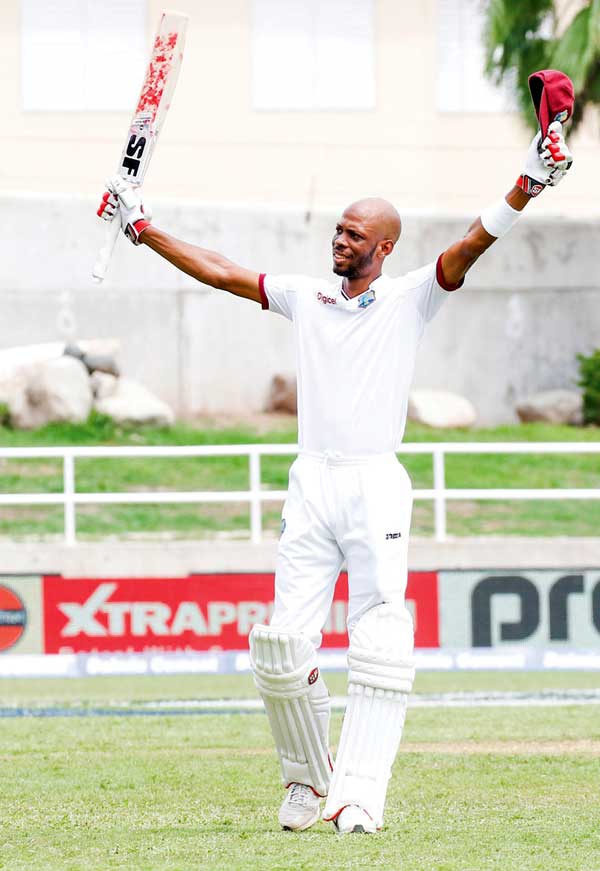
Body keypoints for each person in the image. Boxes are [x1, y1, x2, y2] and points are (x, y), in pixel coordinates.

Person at [98, 121, 572, 834]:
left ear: (384, 248)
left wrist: (525, 183)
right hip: (311, 482)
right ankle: (306, 781)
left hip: (374, 481)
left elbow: (471, 244)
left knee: (379, 638)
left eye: (355, 235)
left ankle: (361, 796)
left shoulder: (413, 295)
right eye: (339, 231)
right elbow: (223, 270)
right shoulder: (306, 296)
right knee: (283, 647)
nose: (340, 242)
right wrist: (143, 226)